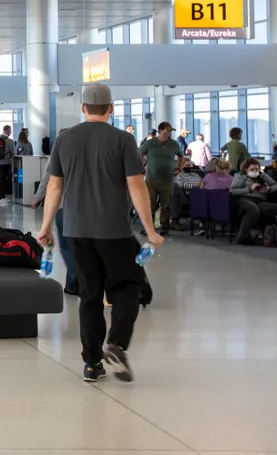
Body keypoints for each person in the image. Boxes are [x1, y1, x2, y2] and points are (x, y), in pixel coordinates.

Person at [37, 83, 163, 383]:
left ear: (83, 108)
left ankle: (92, 363)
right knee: (128, 286)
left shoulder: (64, 140)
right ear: (111, 109)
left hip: (76, 230)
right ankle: (117, 344)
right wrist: (150, 230)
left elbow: (54, 186)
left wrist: (45, 227)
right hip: (114, 231)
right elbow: (136, 187)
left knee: (89, 294)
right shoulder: (123, 139)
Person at [34, 135, 77, 296]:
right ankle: (74, 284)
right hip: (82, 209)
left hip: (63, 208)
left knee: (67, 247)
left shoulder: (59, 156)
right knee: (77, 247)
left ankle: (76, 281)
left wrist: (38, 196)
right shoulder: (86, 156)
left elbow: (49, 180)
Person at [139, 122, 183, 234]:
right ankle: (148, 228)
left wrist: (179, 168)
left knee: (166, 204)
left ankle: (165, 227)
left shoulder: (173, 144)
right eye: (166, 131)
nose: (168, 133)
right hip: (152, 178)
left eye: (169, 131)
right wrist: (141, 167)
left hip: (167, 178)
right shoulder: (150, 143)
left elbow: (181, 155)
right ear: (159, 131)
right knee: (150, 203)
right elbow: (140, 152)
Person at [230, 158, 277, 245]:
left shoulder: (262, 175)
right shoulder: (240, 177)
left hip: (259, 200)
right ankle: (243, 237)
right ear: (246, 169)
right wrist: (249, 189)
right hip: (243, 199)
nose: (255, 171)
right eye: (252, 169)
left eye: (257, 169)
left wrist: (269, 189)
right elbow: (232, 191)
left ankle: (262, 233)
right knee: (253, 209)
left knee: (276, 209)